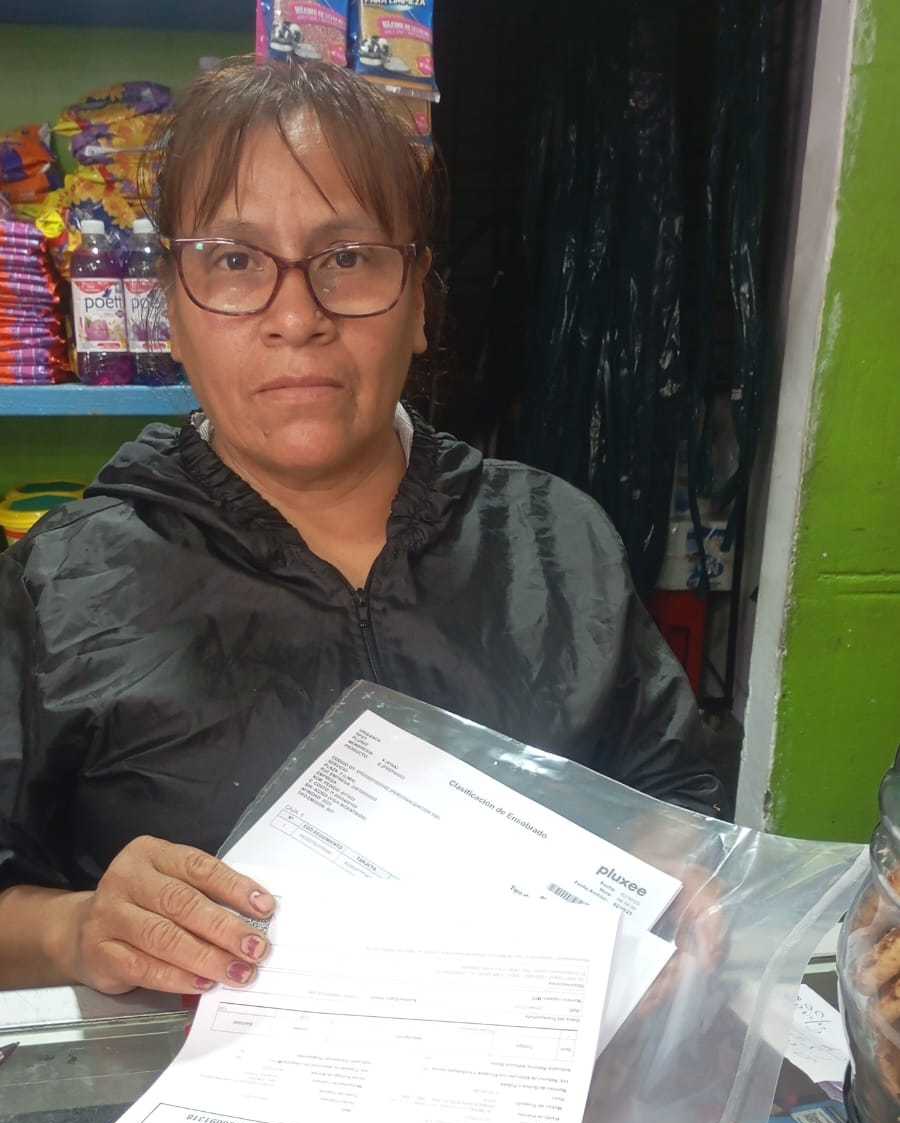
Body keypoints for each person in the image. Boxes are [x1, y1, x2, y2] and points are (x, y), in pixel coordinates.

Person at [0, 57, 724, 999]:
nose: (296, 317)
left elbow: (668, 799)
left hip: (530, 1071)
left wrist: (674, 868)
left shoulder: (556, 542)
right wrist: (75, 929)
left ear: (418, 301)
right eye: (234, 261)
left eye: (346, 257)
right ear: (171, 311)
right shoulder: (61, 586)